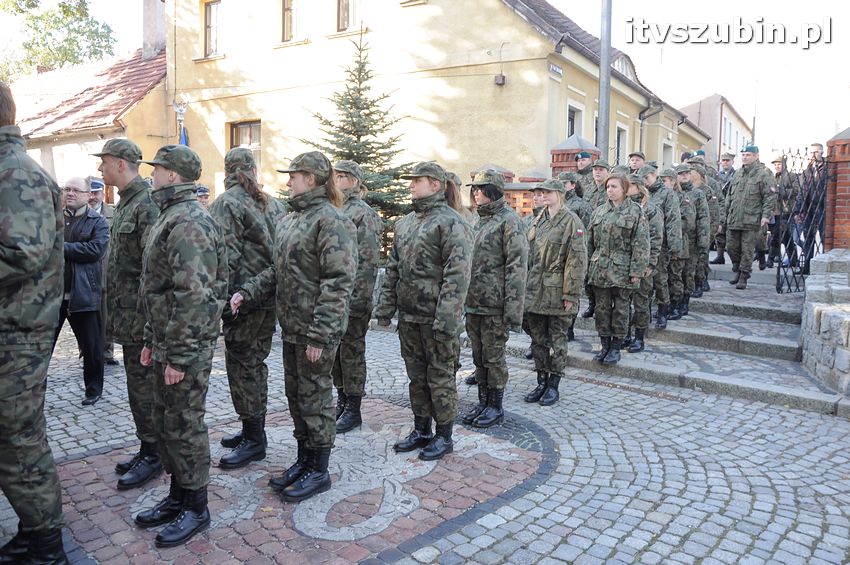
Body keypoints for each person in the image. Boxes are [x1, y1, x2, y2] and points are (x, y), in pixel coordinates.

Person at [234, 151, 356, 501]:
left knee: (315, 397)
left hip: (315, 330)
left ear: (313, 179)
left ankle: (319, 468)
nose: (288, 181)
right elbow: (277, 270)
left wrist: (320, 333)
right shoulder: (290, 220)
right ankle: (304, 459)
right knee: (296, 396)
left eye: (294, 175)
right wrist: (247, 291)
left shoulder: (331, 221)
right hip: (291, 327)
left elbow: (337, 282)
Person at [133, 145, 227, 547]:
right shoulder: (169, 214)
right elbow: (159, 289)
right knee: (169, 422)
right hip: (169, 342)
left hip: (186, 346)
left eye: (157, 170)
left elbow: (193, 295)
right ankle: (178, 496)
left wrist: (181, 355)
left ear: (172, 175)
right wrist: (154, 342)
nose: (151, 175)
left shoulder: (188, 220)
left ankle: (197, 507)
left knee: (186, 425)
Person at [0, 81, 69, 564]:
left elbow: (22, 254)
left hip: (18, 333)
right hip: (12, 330)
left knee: (17, 435)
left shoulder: (14, 173)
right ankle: (33, 531)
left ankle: (46, 546)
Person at [375, 161, 471, 460]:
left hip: (436, 318)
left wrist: (446, 320)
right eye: (411, 180)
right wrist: (385, 307)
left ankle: (444, 434)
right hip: (410, 316)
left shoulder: (452, 223)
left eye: (417, 180)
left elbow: (457, 276)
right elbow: (393, 269)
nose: (411, 185)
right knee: (416, 377)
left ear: (436, 184)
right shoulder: (405, 223)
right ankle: (421, 429)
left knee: (440, 377)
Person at [94, 138, 163, 490]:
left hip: (140, 321)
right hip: (125, 318)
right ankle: (147, 446)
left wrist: (148, 324)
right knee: (137, 390)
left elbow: (154, 270)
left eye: (104, 162)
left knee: (145, 389)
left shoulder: (145, 205)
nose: (100, 169)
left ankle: (155, 454)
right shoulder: (125, 204)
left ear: (121, 164)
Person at [209, 148, 276, 470]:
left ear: (228, 171)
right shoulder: (271, 202)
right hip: (266, 295)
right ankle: (252, 430)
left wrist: (223, 302)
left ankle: (254, 439)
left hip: (242, 300)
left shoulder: (227, 202)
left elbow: (224, 257)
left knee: (243, 367)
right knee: (254, 364)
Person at [461, 170, 527, 427]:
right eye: (474, 189)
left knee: (494, 357)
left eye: (481, 189)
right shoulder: (477, 221)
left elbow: (517, 267)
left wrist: (512, 309)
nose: (476, 193)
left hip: (495, 304)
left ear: (493, 191)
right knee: (478, 356)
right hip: (474, 302)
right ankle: (482, 402)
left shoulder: (508, 221)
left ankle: (495, 406)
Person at [522, 179, 586, 404]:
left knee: (557, 340)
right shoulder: (539, 219)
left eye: (547, 192)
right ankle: (541, 380)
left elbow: (576, 260)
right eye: (540, 192)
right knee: (538, 340)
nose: (543, 195)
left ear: (559, 193)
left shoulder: (571, 221)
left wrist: (571, 294)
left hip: (557, 289)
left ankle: (554, 385)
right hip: (535, 289)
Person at [330, 160, 383, 434]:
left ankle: (353, 407)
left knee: (351, 353)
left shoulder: (364, 214)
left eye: (341, 176)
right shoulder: (334, 208)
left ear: (353, 180)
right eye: (335, 175)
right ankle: (341, 399)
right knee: (336, 354)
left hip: (353, 301)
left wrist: (356, 302)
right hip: (333, 299)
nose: (336, 180)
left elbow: (367, 264)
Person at [52, 176, 109, 405]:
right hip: (53, 296)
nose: (70, 193)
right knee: (43, 347)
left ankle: (93, 390)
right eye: (67, 189)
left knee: (92, 347)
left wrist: (60, 248)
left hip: (84, 294)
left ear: (88, 195)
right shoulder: (53, 219)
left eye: (76, 190)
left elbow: (95, 250)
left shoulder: (98, 221)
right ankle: (37, 390)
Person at [586, 173, 649, 365]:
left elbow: (641, 244)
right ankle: (604, 344)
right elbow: (590, 242)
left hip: (622, 269)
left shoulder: (635, 212)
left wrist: (636, 272)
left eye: (614, 187)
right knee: (602, 309)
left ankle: (616, 346)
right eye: (608, 187)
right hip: (600, 268)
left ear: (624, 189)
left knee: (621, 309)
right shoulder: (599, 212)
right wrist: (587, 266)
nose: (610, 190)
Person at [722, 146, 776, 290]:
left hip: (752, 218)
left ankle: (744, 275)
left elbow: (770, 197)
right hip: (734, 217)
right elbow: (730, 195)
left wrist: (765, 215)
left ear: (756, 156)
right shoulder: (738, 173)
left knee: (747, 249)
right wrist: (726, 213)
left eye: (748, 155)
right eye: (743, 154)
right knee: (731, 247)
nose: (745, 157)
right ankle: (737, 268)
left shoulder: (764, 173)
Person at [622, 175, 662, 353]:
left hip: (643, 263)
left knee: (641, 302)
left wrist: (650, 264)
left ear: (638, 187)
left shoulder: (651, 209)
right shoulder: (624, 208)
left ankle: (639, 337)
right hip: (623, 264)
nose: (625, 190)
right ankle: (625, 335)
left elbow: (655, 239)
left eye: (628, 186)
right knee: (624, 302)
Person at [641, 166, 682, 330]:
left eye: (647, 178)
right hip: (642, 244)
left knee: (660, 280)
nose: (644, 181)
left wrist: (674, 246)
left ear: (654, 176)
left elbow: (673, 220)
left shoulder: (666, 193)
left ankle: (663, 311)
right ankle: (646, 312)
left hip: (660, 244)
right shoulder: (641, 193)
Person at [87, 177, 118, 366]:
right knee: (87, 312)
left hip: (107, 268)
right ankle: (88, 351)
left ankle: (107, 352)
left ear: (102, 193)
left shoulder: (112, 213)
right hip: (86, 270)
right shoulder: (78, 214)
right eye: (89, 193)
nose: (92, 197)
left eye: (96, 193)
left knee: (107, 313)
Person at [559, 171, 592, 341]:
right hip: (557, 254)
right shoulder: (557, 204)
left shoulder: (581, 205)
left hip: (575, 253)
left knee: (573, 289)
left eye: (564, 184)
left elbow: (586, 232)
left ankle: (569, 327)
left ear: (573, 184)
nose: (561, 187)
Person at [676, 165, 709, 312]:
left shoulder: (697, 194)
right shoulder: (673, 193)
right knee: (676, 273)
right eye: (680, 174)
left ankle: (685, 301)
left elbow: (703, 218)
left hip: (692, 239)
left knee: (688, 272)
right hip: (677, 239)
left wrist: (703, 240)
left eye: (686, 174)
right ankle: (675, 301)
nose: (684, 176)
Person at [798, 142, 827, 274]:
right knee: (808, 237)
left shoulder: (828, 168)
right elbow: (802, 190)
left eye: (816, 152)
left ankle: (825, 267)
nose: (813, 155)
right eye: (811, 152)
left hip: (822, 207)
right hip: (808, 207)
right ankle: (807, 266)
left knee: (824, 237)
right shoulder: (808, 171)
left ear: (822, 152)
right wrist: (798, 210)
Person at [769, 156, 801, 269]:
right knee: (785, 236)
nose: (777, 166)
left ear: (784, 165)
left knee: (778, 233)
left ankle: (770, 259)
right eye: (775, 164)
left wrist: (778, 190)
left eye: (779, 164)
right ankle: (794, 259)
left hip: (786, 209)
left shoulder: (791, 176)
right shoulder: (774, 177)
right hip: (776, 210)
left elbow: (796, 190)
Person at [712, 152, 736, 265]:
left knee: (732, 235)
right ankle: (720, 256)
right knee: (719, 232)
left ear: (732, 162)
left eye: (728, 160)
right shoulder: (717, 175)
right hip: (720, 206)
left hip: (732, 207)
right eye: (724, 160)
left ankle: (736, 260)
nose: (725, 162)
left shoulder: (736, 175)